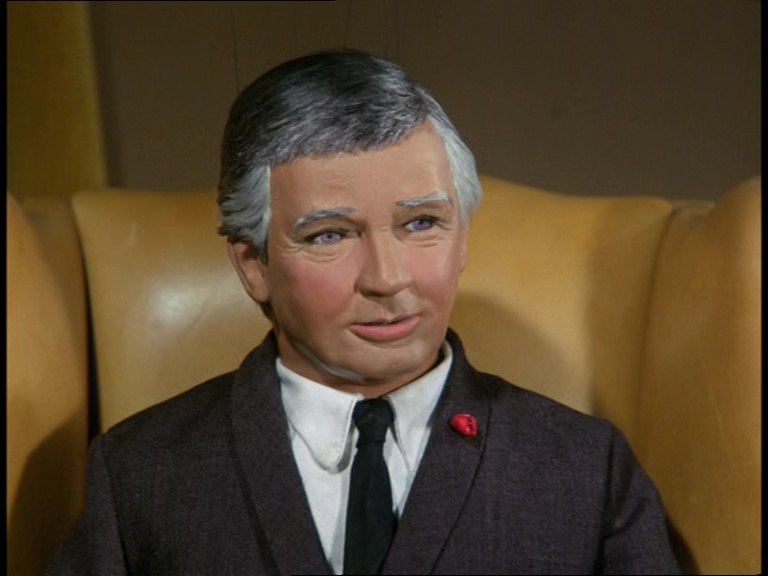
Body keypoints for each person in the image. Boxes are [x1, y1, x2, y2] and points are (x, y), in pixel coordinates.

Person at [47, 49, 680, 575]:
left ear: (462, 239)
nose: (387, 278)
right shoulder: (140, 476)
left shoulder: (585, 470)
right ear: (253, 264)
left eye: (421, 223)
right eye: (330, 235)